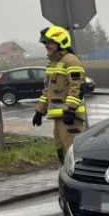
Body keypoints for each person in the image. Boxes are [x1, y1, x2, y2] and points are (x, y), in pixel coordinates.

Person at [33, 25, 86, 162]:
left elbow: (77, 87)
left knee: (74, 155)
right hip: (58, 119)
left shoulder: (71, 60)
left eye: (49, 42)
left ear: (60, 41)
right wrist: (39, 111)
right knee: (62, 153)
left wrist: (70, 110)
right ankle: (67, 179)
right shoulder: (53, 64)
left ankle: (78, 181)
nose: (47, 46)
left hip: (70, 118)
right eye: (45, 43)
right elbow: (47, 91)